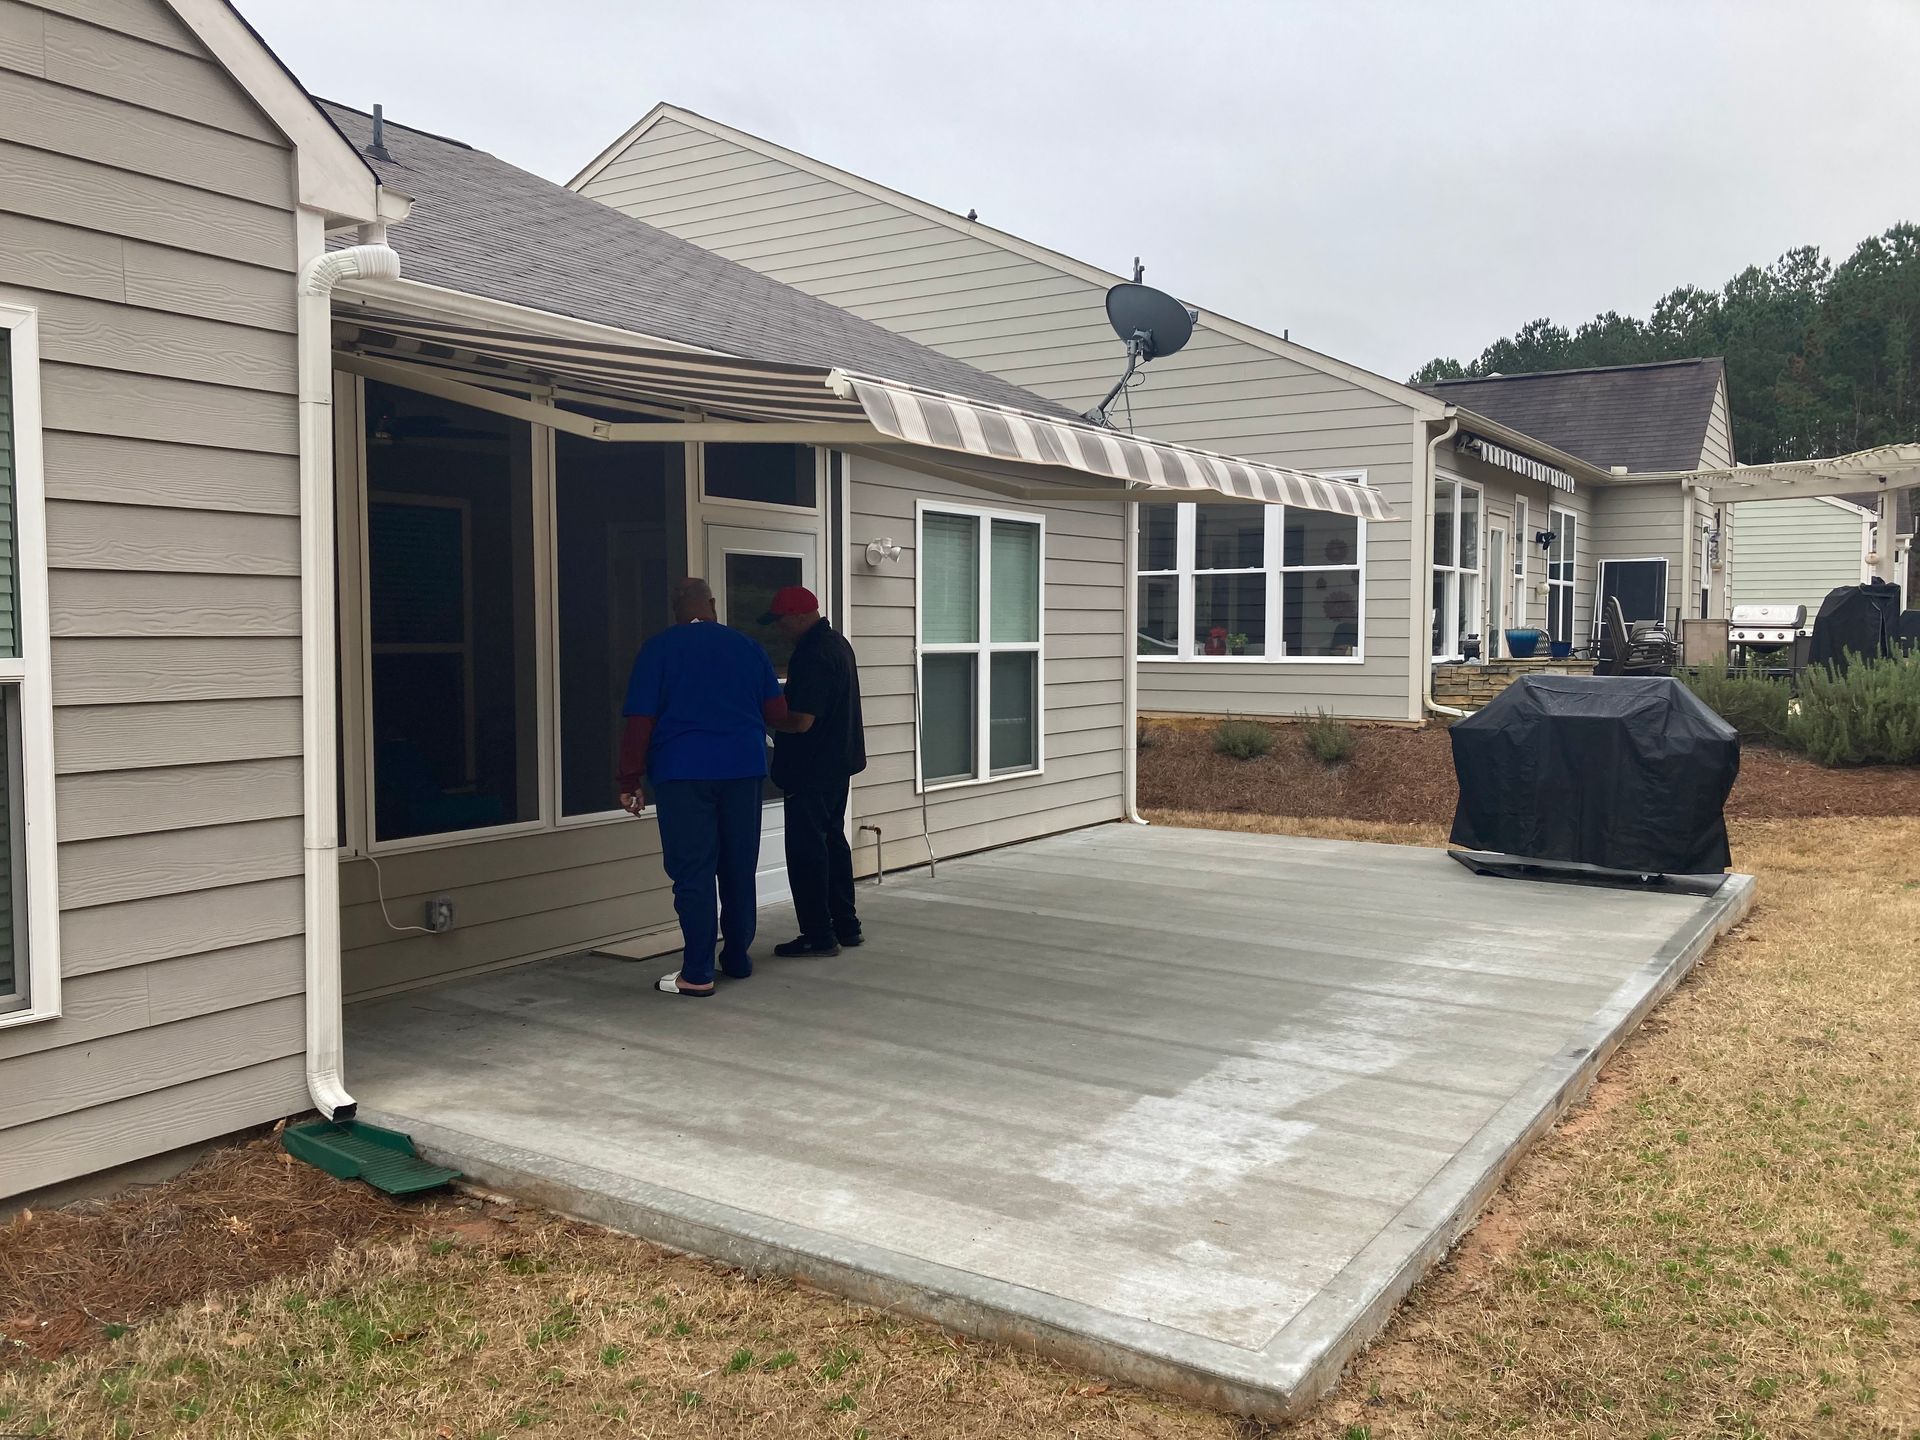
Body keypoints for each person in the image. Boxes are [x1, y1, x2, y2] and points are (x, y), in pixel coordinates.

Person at [618, 577, 787, 998]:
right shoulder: (748, 647)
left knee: (693, 871)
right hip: (742, 769)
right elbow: (777, 710)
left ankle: (697, 972)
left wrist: (628, 778)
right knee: (737, 866)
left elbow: (640, 720)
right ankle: (737, 958)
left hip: (682, 772)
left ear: (675, 609)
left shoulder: (658, 649)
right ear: (712, 604)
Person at [760, 585, 867, 956]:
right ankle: (846, 925)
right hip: (838, 764)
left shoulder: (813, 654)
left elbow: (802, 721)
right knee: (832, 842)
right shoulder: (838, 644)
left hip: (811, 769)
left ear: (801, 616)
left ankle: (818, 934)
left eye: (782, 620)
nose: (779, 628)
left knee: (807, 851)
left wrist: (764, 717)